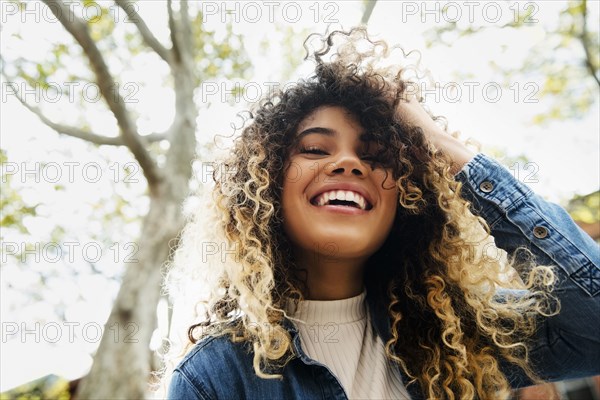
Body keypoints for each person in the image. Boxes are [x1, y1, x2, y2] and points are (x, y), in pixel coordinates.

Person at [162, 28, 600, 400]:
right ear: (267, 190)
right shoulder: (214, 377)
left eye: (375, 155)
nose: (349, 163)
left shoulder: (458, 333)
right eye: (315, 149)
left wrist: (442, 145)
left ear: (408, 199)